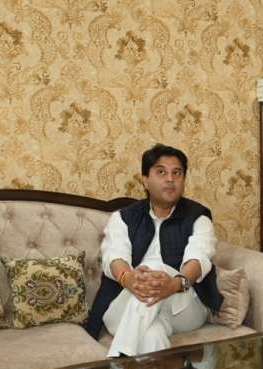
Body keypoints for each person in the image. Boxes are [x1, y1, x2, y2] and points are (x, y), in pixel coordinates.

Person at [85, 144, 223, 356]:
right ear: (145, 180)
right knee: (152, 335)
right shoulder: (123, 218)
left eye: (176, 173)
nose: (170, 179)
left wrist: (173, 284)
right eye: (161, 172)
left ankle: (118, 360)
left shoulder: (198, 217)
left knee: (154, 268)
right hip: (126, 302)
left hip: (182, 306)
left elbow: (198, 258)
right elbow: (114, 256)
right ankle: (130, 365)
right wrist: (129, 279)